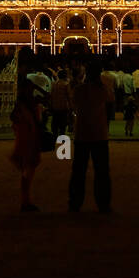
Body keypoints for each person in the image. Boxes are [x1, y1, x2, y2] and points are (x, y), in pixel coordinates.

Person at [68, 59, 112, 214]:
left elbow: (73, 103)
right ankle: (103, 203)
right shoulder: (103, 90)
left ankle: (75, 203)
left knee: (78, 171)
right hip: (99, 134)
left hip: (82, 134)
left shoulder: (79, 89)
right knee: (102, 172)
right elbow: (110, 100)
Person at [9, 79, 43, 212]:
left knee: (27, 169)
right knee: (28, 170)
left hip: (26, 138)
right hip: (28, 139)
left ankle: (26, 199)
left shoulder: (22, 105)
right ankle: (25, 201)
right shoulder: (27, 105)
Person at [49, 69, 71, 137]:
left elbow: (51, 96)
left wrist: (51, 105)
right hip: (63, 107)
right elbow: (69, 97)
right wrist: (71, 107)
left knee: (55, 124)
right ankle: (61, 141)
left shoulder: (54, 84)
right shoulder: (66, 84)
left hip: (55, 107)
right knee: (62, 125)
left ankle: (54, 138)